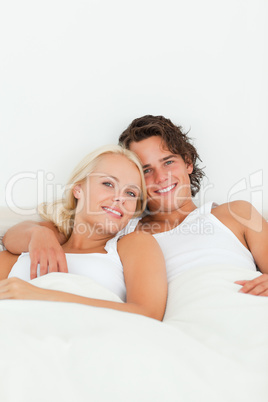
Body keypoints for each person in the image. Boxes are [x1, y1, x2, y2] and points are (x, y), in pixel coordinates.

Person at [3, 115, 268, 295]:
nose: (161, 177)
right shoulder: (120, 228)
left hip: (241, 302)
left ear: (188, 162)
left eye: (168, 162)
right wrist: (39, 233)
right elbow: (16, 237)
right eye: (146, 170)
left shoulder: (236, 214)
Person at [0, 145, 167, 320]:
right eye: (108, 184)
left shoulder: (134, 245)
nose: (120, 198)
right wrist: (38, 232)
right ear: (78, 189)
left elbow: (149, 314)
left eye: (131, 193)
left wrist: (43, 296)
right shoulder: (23, 252)